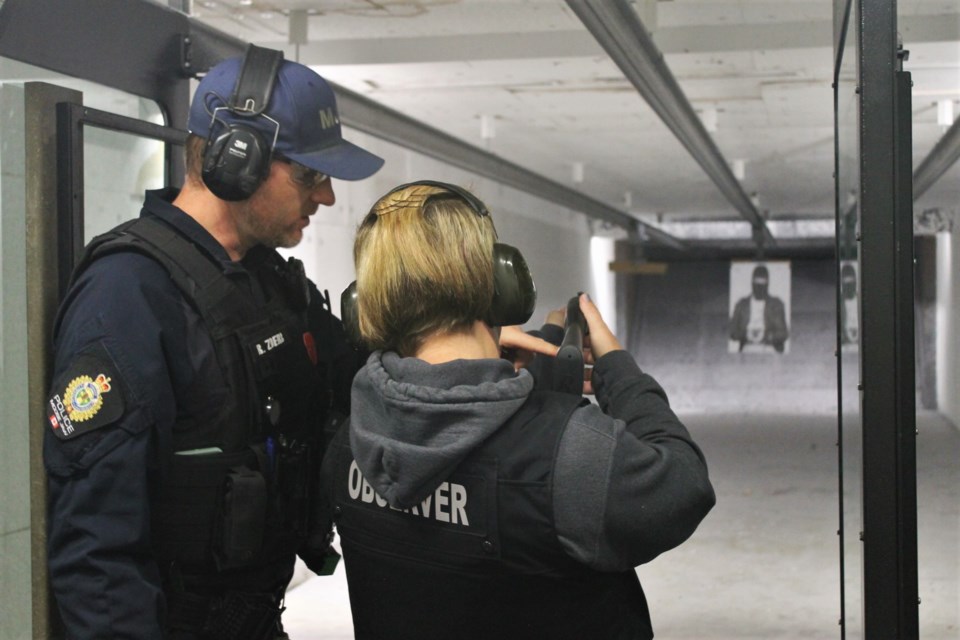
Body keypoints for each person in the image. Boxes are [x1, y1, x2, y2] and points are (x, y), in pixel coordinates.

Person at [43, 45, 383, 639]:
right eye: (310, 174)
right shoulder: (129, 293)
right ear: (238, 159)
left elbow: (355, 367)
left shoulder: (267, 282)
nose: (325, 197)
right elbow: (97, 554)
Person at [322, 181, 715, 640]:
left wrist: (492, 366)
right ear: (501, 283)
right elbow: (682, 486)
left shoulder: (350, 441)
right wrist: (617, 370)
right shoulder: (571, 454)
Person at [729, 263, 789, 353]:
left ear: (768, 284)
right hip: (747, 347)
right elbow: (732, 332)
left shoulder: (776, 304)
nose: (759, 288)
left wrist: (767, 336)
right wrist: (746, 335)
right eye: (757, 283)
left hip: (770, 347)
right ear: (751, 283)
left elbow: (784, 334)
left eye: (763, 283)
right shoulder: (741, 304)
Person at [839, 262, 859, 345]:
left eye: (851, 281)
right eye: (846, 283)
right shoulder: (839, 302)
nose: (849, 286)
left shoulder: (860, 299)